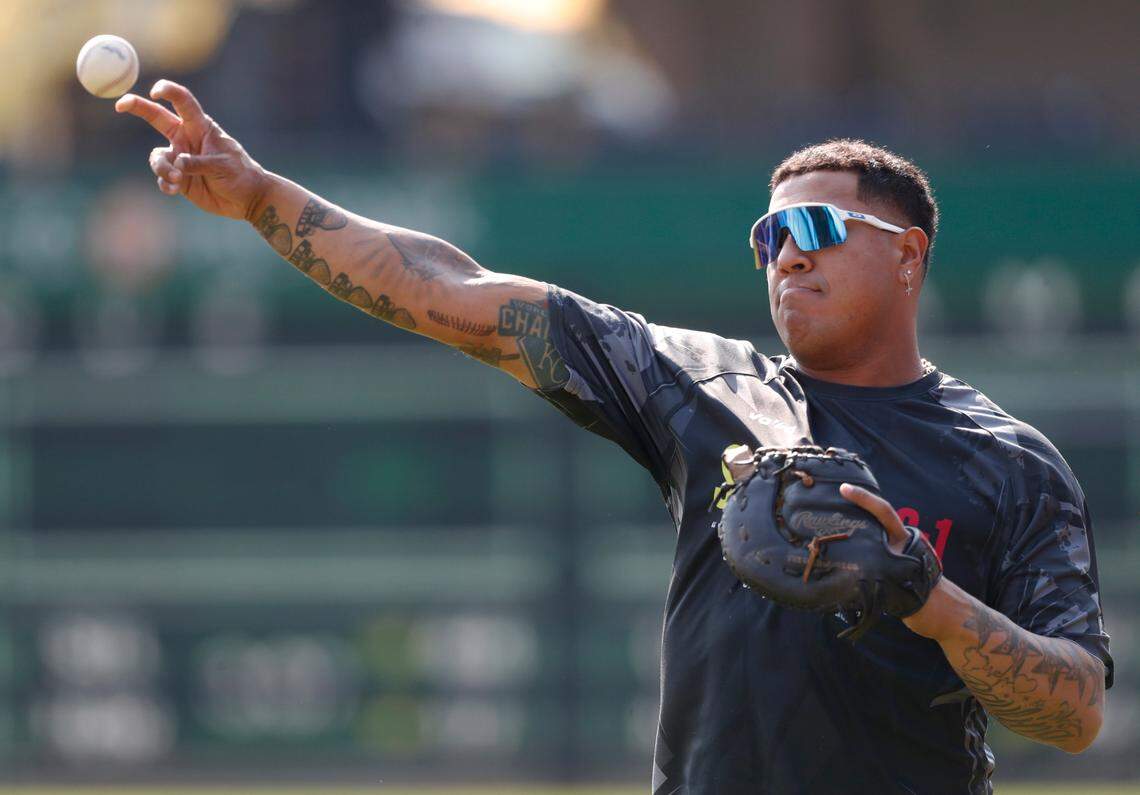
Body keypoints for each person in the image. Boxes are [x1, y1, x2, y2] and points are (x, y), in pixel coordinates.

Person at [117, 80, 1112, 795]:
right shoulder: (707, 385)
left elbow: (1071, 713)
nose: (784, 258)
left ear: (909, 260)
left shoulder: (1006, 462)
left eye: (813, 232)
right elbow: (454, 292)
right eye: (768, 238)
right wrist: (259, 198)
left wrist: (928, 601)